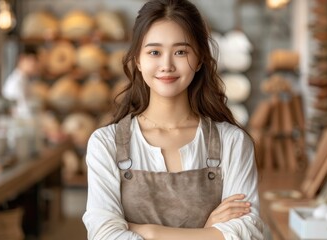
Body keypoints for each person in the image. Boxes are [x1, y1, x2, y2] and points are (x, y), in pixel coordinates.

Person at [83, 0, 265, 239]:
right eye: (154, 52)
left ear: (199, 59)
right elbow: (104, 234)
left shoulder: (232, 142)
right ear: (138, 60)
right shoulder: (105, 143)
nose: (166, 65)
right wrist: (207, 232)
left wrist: (147, 231)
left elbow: (247, 232)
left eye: (180, 52)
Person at [2, 47, 39, 119]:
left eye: (36, 62)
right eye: (31, 60)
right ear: (21, 59)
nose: (34, 65)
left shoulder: (24, 80)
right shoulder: (16, 82)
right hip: (18, 124)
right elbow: (23, 111)